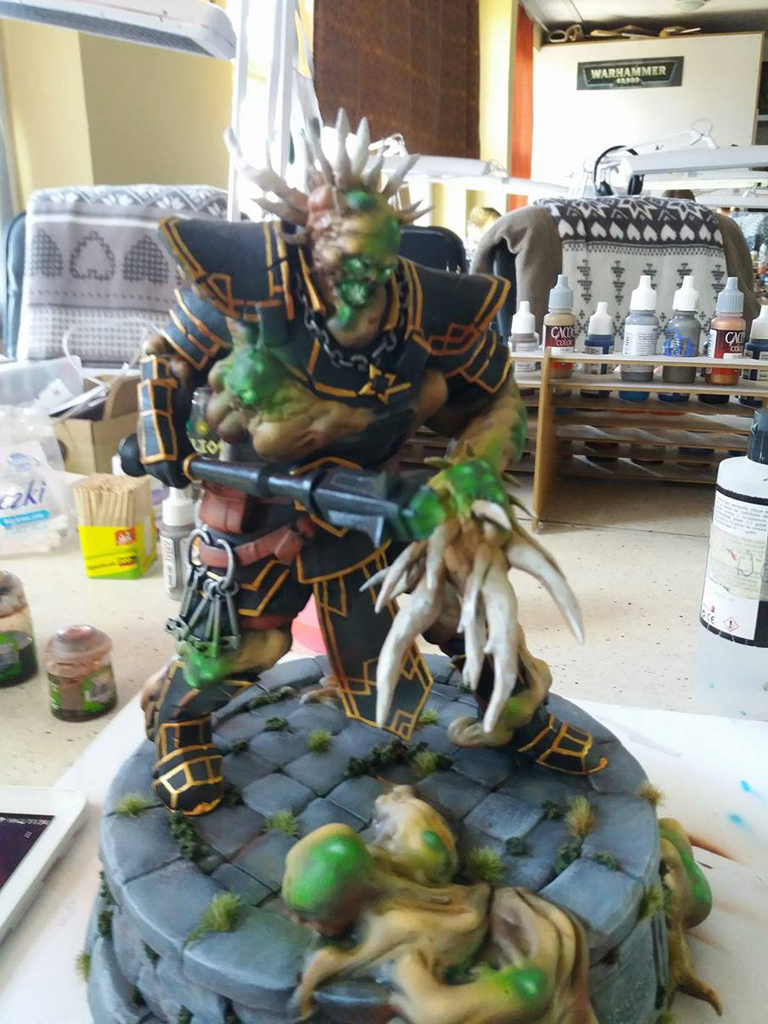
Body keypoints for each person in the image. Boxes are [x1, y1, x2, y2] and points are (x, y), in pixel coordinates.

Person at [135, 113, 604, 816]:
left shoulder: (427, 306)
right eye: (344, 266)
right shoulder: (249, 287)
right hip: (261, 510)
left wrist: (467, 477)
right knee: (240, 646)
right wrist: (161, 443)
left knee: (462, 612)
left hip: (380, 502)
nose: (362, 289)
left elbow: (498, 400)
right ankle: (179, 727)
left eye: (375, 269)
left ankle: (517, 715)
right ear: (311, 239)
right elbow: (165, 360)